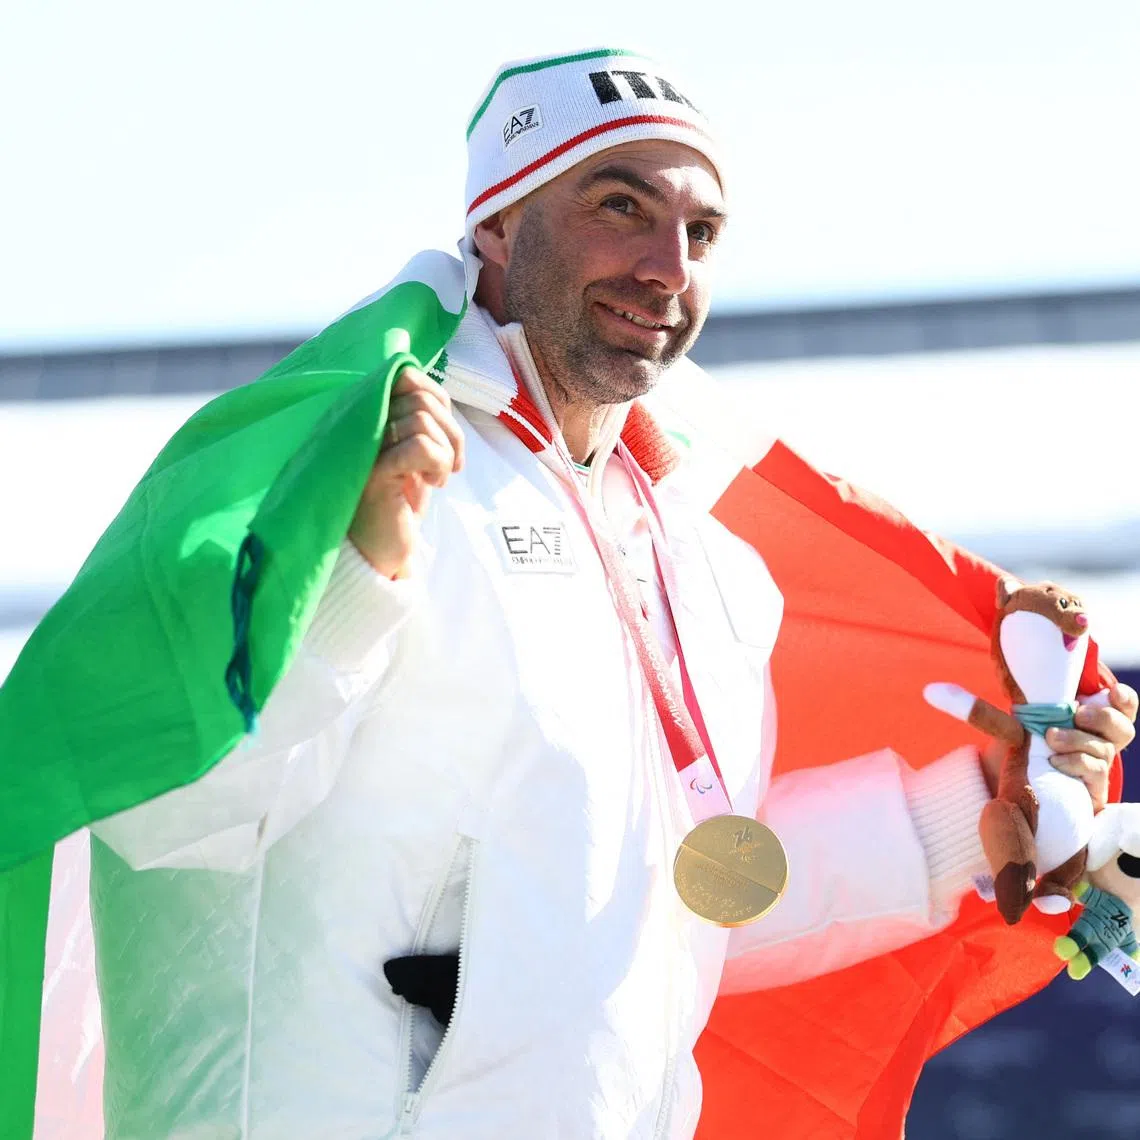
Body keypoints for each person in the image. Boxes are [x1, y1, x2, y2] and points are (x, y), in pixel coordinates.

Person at [84, 49, 1136, 1140]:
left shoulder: (704, 563)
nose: (666, 266)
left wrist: (973, 818)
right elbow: (164, 807)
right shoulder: (338, 462)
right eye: (620, 204)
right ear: (495, 222)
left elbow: (684, 907)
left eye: (701, 232)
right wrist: (356, 577)